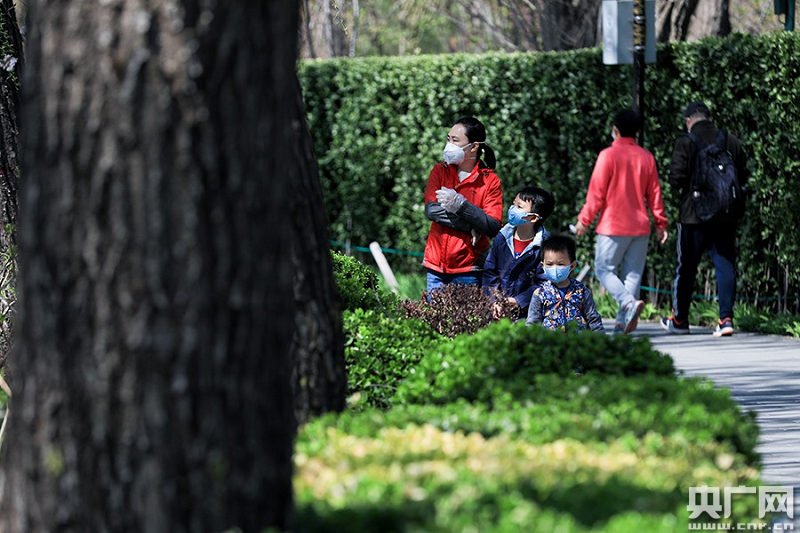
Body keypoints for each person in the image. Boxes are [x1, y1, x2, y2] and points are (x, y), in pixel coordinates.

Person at [574, 109, 668, 334]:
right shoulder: (647, 157)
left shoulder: (607, 155)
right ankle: (621, 321)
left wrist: (583, 221)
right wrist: (661, 224)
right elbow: (655, 194)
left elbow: (596, 193)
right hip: (640, 225)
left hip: (613, 225)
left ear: (615, 130)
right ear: (637, 132)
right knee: (633, 274)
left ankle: (627, 303)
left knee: (603, 268)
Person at [661, 101, 749, 337]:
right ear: (710, 118)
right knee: (725, 265)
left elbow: (676, 179)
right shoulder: (730, 140)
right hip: (725, 216)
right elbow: (743, 174)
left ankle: (679, 320)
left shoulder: (685, 142)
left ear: (689, 121)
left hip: (693, 216)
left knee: (687, 268)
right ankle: (726, 319)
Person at [423, 116, 504, 291]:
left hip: (468, 267)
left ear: (474, 146)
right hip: (436, 266)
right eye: (448, 139)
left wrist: (463, 207)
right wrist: (472, 226)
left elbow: (492, 226)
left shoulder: (490, 181)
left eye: (455, 140)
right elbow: (431, 210)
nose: (449, 145)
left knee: (467, 318)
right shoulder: (440, 171)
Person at [483, 186, 555, 320]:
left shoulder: (545, 246)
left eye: (519, 207)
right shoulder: (502, 238)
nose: (512, 209)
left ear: (533, 218)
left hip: (529, 315)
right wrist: (494, 301)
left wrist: (519, 301)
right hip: (498, 310)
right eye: (513, 204)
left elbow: (545, 283)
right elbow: (490, 273)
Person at [526, 235, 604, 332]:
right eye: (549, 264)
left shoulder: (581, 292)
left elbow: (593, 320)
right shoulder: (540, 294)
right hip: (549, 344)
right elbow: (532, 323)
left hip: (577, 344)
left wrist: (601, 342)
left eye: (560, 264)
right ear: (543, 265)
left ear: (572, 266)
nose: (554, 268)